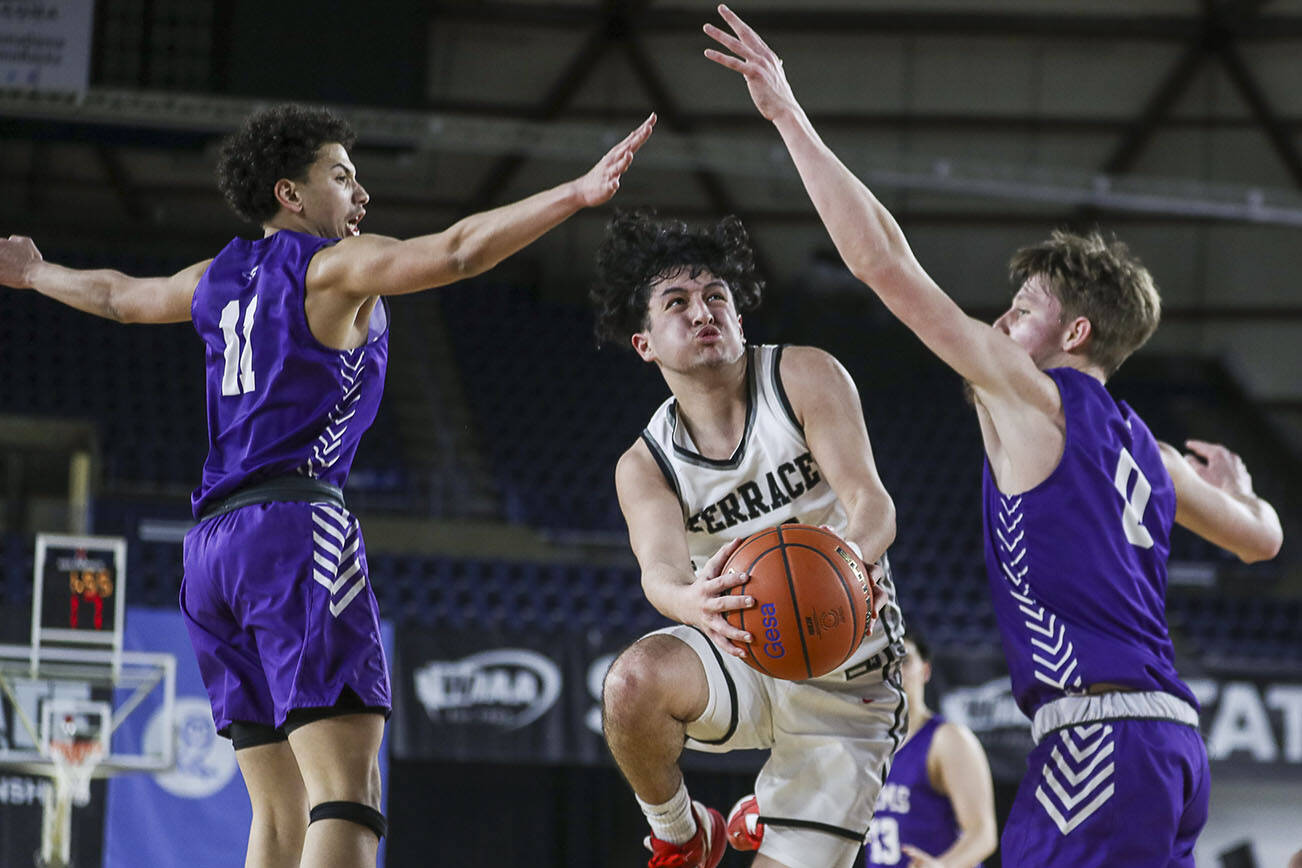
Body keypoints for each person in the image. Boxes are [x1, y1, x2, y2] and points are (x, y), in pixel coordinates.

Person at [0, 103, 654, 868]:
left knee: (279, 810)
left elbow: (117, 296)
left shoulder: (215, 277)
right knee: (348, 792)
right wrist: (574, 194)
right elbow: (457, 254)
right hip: (291, 531)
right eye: (341, 177)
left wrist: (35, 271)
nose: (360, 194)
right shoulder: (327, 267)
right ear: (291, 194)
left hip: (210, 552)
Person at [704, 6, 1283, 867]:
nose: (1004, 316)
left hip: (1098, 737)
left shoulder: (1032, 396)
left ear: (1075, 335)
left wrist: (788, 114)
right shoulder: (1150, 454)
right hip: (1171, 746)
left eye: (1027, 306)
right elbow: (1263, 539)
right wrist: (1240, 490)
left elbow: (884, 263)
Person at [592, 208, 908, 868]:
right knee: (631, 685)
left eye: (716, 296)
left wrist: (843, 563)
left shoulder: (804, 375)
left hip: (843, 665)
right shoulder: (645, 464)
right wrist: (694, 606)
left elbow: (872, 503)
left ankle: (782, 802)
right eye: (675, 302)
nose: (702, 311)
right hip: (744, 643)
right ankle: (682, 833)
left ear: (739, 314)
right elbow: (661, 573)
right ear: (643, 342)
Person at [865, 631, 996, 868]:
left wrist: (942, 866)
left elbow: (983, 834)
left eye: (904, 661)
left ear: (925, 670)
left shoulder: (947, 739)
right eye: (887, 662)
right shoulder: (872, 747)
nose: (896, 671)